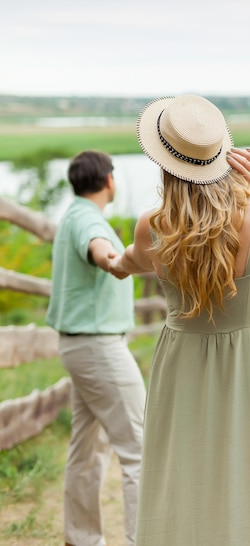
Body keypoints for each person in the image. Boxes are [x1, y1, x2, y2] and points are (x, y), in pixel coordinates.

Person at [109, 95, 250, 545]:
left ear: (164, 162)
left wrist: (114, 264)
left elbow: (129, 261)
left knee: (186, 474)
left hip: (183, 364)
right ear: (222, 157)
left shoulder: (152, 227)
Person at [46, 150, 146, 546]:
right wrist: (116, 261)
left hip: (80, 347)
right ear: (108, 180)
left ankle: (81, 538)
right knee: (141, 447)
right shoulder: (88, 219)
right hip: (98, 349)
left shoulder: (72, 214)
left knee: (88, 447)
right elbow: (100, 249)